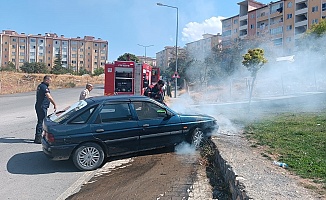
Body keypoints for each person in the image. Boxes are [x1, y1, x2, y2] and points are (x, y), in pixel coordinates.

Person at [34, 75, 57, 144]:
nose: (50, 82)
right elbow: (49, 97)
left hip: (39, 106)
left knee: (40, 121)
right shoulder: (44, 87)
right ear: (46, 80)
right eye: (49, 81)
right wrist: (54, 104)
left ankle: (39, 136)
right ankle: (38, 138)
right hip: (42, 107)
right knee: (41, 122)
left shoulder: (40, 86)